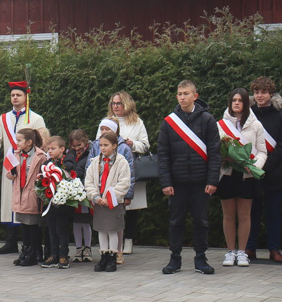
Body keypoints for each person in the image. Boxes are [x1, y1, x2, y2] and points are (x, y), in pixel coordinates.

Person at [158, 80, 221, 275]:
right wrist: (166, 182)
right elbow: (163, 154)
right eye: (179, 94)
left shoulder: (208, 120)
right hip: (177, 183)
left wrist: (212, 180)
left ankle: (201, 258)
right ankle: (174, 259)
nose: (182, 97)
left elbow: (214, 152)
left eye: (186, 93)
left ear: (195, 96)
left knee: (201, 221)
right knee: (176, 221)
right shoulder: (169, 122)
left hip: (201, 182)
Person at [0, 81, 47, 255]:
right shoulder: (3, 118)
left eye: (18, 95)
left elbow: (43, 142)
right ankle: (11, 241)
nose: (15, 98)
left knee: (28, 203)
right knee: (10, 201)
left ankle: (30, 245)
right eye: (12, 95)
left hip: (29, 167)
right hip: (11, 166)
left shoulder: (36, 118)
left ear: (26, 97)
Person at [218, 88, 266, 267]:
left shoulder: (256, 125)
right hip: (228, 174)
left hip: (247, 174)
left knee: (245, 215)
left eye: (240, 100)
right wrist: (225, 157)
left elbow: (262, 152)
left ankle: (242, 252)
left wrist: (253, 167)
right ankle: (230, 251)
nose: (236, 103)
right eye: (234, 100)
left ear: (246, 103)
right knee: (228, 215)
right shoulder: (220, 125)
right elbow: (215, 149)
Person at [103, 91, 150, 255]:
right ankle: (114, 241)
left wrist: (132, 144)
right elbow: (98, 144)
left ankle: (128, 240)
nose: (115, 106)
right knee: (113, 203)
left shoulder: (137, 122)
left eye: (118, 103)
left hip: (131, 166)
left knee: (131, 206)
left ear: (126, 104)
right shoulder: (107, 122)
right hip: (110, 168)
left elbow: (146, 146)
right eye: (113, 103)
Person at [247, 76, 282, 263]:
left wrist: (267, 166)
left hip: (275, 172)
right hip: (252, 171)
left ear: (271, 94)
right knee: (251, 212)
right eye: (256, 92)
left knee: (273, 212)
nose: (259, 95)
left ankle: (274, 249)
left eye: (263, 92)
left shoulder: (281, 115)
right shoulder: (248, 115)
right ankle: (250, 248)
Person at [89, 117, 136, 264]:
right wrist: (95, 196)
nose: (102, 148)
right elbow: (89, 181)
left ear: (114, 145)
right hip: (99, 201)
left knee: (113, 229)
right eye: (101, 145)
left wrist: (111, 196)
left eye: (106, 145)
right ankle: (103, 255)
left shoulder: (121, 161)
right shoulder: (95, 162)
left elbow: (124, 182)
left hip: (114, 202)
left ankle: (113, 255)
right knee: (102, 230)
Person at [6, 128, 47, 266]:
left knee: (33, 225)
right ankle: (26, 249)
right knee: (24, 224)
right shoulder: (16, 155)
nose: (16, 143)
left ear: (29, 142)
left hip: (32, 195)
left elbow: (43, 176)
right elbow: (10, 175)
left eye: (19, 140)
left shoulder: (40, 157)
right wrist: (11, 172)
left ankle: (34, 251)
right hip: (20, 194)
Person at [40, 136, 74, 268]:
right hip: (50, 203)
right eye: (49, 149)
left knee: (62, 230)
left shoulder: (67, 163)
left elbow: (71, 178)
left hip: (63, 204)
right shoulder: (47, 164)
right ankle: (53, 255)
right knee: (52, 230)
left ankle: (63, 256)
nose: (50, 151)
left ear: (62, 149)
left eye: (53, 148)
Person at [64, 129, 95, 262]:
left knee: (86, 221)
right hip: (73, 192)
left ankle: (87, 248)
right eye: (74, 146)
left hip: (85, 190)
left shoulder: (91, 153)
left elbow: (88, 170)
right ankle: (78, 248)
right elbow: (67, 165)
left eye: (79, 145)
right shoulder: (69, 154)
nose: (77, 148)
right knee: (76, 221)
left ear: (85, 142)